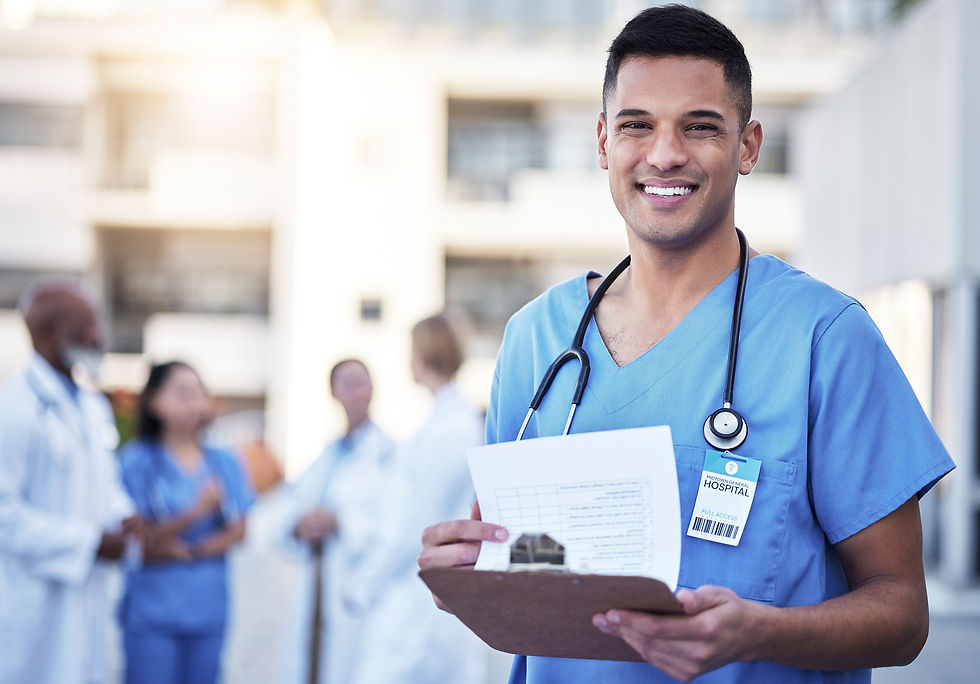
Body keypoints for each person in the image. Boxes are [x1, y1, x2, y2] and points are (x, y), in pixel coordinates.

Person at [419, 5, 955, 683]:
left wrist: (760, 632)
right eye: (636, 125)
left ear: (749, 145)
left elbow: (903, 614)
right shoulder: (535, 341)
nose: (664, 153)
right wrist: (467, 580)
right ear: (602, 142)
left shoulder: (826, 338)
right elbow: (521, 575)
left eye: (700, 127)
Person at [0, 281, 139, 684]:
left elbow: (104, 483)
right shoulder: (14, 409)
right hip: (35, 600)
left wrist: (125, 516)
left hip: (89, 597)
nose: (99, 335)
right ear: (46, 334)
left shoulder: (93, 405)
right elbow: (4, 516)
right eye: (87, 324)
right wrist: (90, 542)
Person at [352, 314, 491, 684]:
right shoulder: (441, 421)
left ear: (423, 355)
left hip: (422, 599)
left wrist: (364, 585)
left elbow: (415, 523)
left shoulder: (453, 428)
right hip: (419, 593)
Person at [117, 361, 255, 684]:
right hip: (152, 615)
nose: (195, 403)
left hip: (208, 611)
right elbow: (136, 536)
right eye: (182, 393)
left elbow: (239, 529)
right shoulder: (136, 462)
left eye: (199, 393)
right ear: (153, 402)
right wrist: (195, 513)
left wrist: (190, 549)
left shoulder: (223, 459)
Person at [278, 358, 395, 684]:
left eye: (362, 382)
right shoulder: (329, 453)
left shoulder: (389, 455)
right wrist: (301, 525)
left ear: (373, 389)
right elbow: (290, 508)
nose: (356, 392)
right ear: (334, 393)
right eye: (347, 384)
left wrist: (340, 523)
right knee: (312, 666)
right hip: (318, 581)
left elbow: (394, 527)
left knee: (350, 669)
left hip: (356, 588)